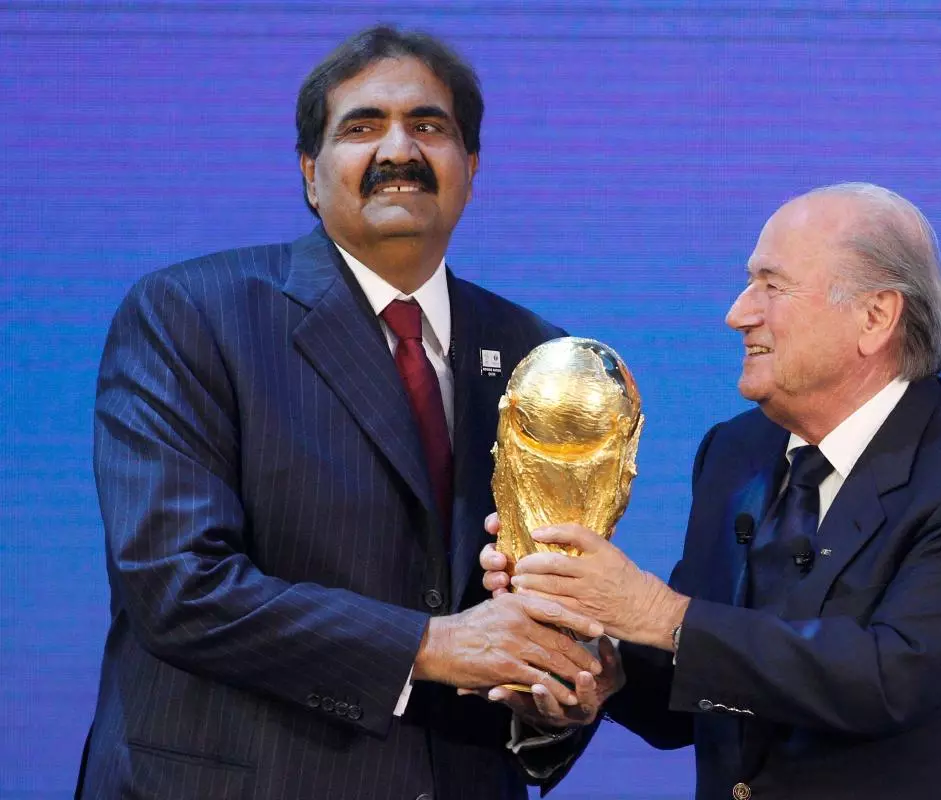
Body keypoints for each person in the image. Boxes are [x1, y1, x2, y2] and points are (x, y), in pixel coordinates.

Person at [76, 25, 604, 800]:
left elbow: (530, 612)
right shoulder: (192, 312)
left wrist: (554, 697)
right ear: (309, 175)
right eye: (361, 127)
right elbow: (178, 585)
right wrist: (430, 645)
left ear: (471, 167)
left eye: (430, 126)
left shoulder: (538, 356)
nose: (399, 150)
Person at [481, 183, 941, 799]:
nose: (738, 313)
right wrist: (592, 660)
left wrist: (656, 614)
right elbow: (708, 686)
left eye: (771, 286)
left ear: (875, 317)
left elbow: (890, 679)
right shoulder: (738, 452)